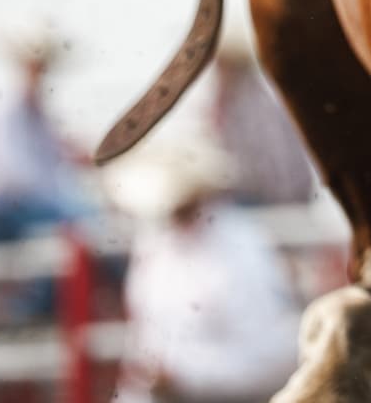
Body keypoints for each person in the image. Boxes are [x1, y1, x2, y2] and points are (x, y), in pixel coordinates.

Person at [110, 140, 300, 403]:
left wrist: (183, 377)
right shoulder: (155, 243)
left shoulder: (242, 248)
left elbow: (272, 356)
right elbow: (146, 339)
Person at [0, 26, 90, 241]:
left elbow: (50, 159)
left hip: (17, 208)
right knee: (87, 225)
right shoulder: (0, 104)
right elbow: (15, 175)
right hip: (0, 211)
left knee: (87, 220)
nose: (42, 73)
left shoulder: (29, 107)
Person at [210, 32, 315, 207]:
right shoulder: (235, 100)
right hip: (268, 194)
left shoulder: (253, 101)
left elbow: (264, 163)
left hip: (273, 198)